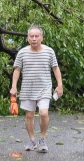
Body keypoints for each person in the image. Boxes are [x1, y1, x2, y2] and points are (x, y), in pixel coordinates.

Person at [10, 25, 64, 153]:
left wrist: (59, 85)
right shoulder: (22, 52)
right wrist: (13, 86)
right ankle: (32, 140)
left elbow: (55, 68)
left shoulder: (49, 51)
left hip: (44, 88)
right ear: (28, 38)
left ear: (42, 38)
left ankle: (42, 139)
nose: (34, 39)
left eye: (36, 36)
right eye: (31, 36)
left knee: (43, 113)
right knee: (29, 115)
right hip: (28, 88)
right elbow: (17, 70)